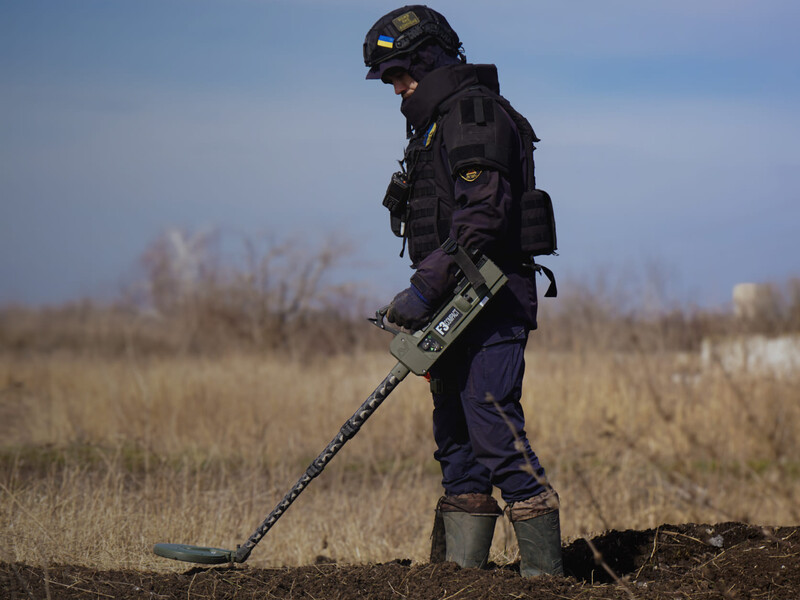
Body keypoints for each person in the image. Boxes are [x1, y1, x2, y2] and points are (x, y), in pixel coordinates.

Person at [363, 6, 563, 577]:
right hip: (453, 303)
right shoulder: (432, 125)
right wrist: (428, 296)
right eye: (389, 78)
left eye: (400, 72)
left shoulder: (474, 114)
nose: (397, 86)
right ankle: (457, 579)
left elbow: (482, 217)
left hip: (491, 301)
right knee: (454, 436)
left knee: (490, 417)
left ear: (429, 59)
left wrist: (423, 290)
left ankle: (547, 578)